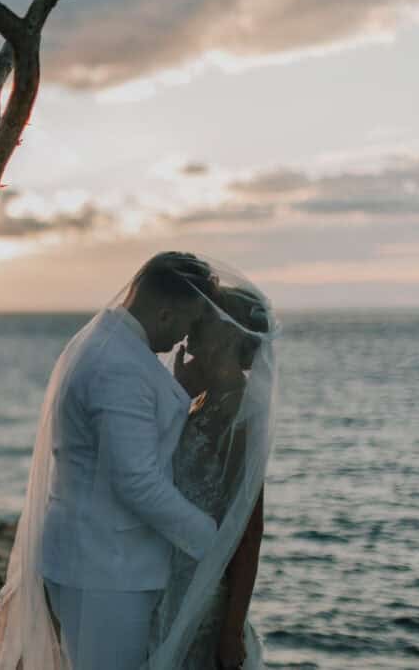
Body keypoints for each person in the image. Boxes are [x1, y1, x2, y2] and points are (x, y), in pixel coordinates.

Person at [0, 251, 225, 670]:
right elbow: (136, 481)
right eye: (190, 321)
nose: (188, 337)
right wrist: (213, 541)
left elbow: (137, 443)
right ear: (166, 312)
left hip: (101, 561)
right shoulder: (117, 365)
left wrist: (179, 392)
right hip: (102, 571)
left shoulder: (112, 346)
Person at [149, 285, 274, 669]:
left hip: (203, 596)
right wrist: (178, 395)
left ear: (232, 334)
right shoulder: (201, 401)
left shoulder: (240, 412)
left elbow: (248, 528)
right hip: (167, 579)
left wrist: (231, 629)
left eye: (207, 317)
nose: (194, 324)